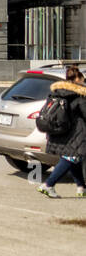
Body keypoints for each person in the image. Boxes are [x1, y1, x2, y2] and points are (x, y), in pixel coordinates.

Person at [39, 65, 86, 198]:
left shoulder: (58, 92)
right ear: (77, 79)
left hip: (62, 131)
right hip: (76, 133)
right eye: (82, 78)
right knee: (71, 158)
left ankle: (81, 188)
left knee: (74, 158)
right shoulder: (79, 95)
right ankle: (48, 185)